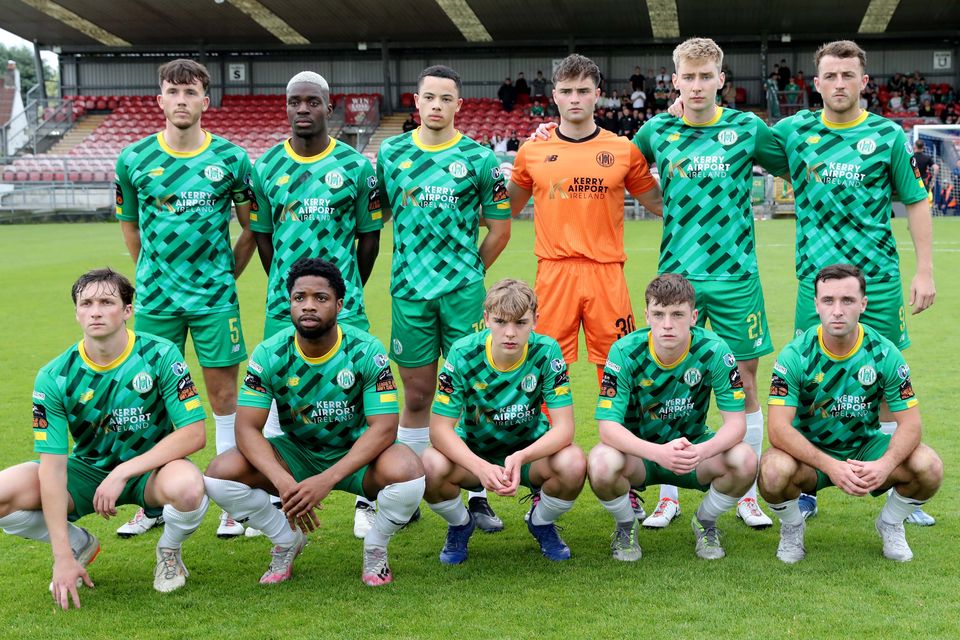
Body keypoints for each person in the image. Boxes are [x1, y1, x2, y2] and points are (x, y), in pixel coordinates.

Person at [771, 41, 935, 523]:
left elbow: (917, 201)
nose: (839, 83)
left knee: (887, 382)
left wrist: (925, 269)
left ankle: (889, 480)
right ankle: (807, 484)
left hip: (878, 280)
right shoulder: (794, 131)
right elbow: (735, 136)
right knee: (805, 378)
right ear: (816, 83)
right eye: (830, 75)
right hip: (814, 284)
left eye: (848, 75)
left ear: (865, 82)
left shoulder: (886, 135)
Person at [632, 37, 785, 530]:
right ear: (674, 81)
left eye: (705, 77)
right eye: (688, 77)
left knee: (744, 382)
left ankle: (745, 492)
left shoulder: (747, 128)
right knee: (672, 382)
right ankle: (670, 494)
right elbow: (616, 167)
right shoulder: (657, 130)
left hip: (737, 275)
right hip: (678, 280)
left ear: (721, 80)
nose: (697, 85)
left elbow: (795, 162)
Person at [203, 258, 425, 587]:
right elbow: (246, 428)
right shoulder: (269, 353)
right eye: (299, 298)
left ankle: (376, 546)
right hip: (297, 453)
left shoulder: (366, 350)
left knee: (409, 472)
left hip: (354, 452)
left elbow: (384, 428)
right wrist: (282, 482)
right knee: (219, 475)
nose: (308, 306)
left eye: (320, 298)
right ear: (289, 302)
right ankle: (285, 539)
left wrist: (328, 479)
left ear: (339, 304)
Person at [0, 269, 209, 609]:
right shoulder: (54, 376)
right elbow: (52, 470)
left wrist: (123, 472)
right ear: (77, 313)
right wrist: (62, 556)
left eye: (107, 302)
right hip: (88, 469)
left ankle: (169, 551)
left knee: (189, 488)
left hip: (151, 469)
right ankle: (79, 544)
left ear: (127, 310)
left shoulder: (160, 354)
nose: (95, 311)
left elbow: (194, 432)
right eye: (86, 303)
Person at [115, 58, 254, 539]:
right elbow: (130, 229)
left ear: (205, 101)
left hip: (215, 297)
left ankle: (231, 499)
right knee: (149, 397)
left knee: (223, 397)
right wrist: (152, 274)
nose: (181, 100)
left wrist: (226, 273)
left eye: (190, 92)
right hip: (156, 299)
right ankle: (150, 501)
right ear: (160, 100)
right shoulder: (133, 159)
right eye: (172, 92)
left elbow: (251, 227)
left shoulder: (233, 159)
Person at [377, 65, 512, 532]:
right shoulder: (390, 154)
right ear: (416, 102)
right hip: (410, 294)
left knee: (470, 394)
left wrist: (471, 271)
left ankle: (476, 492)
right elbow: (376, 218)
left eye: (445, 98)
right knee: (415, 393)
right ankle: (411, 488)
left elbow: (499, 228)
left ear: (459, 104)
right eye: (428, 97)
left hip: (462, 295)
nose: (436, 105)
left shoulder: (479, 159)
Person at [250, 71, 385, 539]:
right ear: (285, 108)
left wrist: (344, 292)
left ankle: (369, 499)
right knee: (273, 398)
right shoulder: (265, 166)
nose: (302, 109)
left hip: (345, 308)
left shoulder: (356, 167)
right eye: (293, 102)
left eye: (311, 101)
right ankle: (275, 493)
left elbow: (369, 239)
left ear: (330, 107)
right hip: (282, 307)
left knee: (362, 398)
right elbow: (263, 238)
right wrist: (289, 295)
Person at [760, 264, 943, 563]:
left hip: (864, 450)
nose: (837, 310)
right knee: (772, 470)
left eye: (847, 301)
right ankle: (793, 527)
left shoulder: (884, 353)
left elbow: (911, 425)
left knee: (929, 466)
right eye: (828, 300)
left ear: (863, 304)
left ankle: (891, 522)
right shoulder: (795, 355)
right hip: (812, 455)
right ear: (816, 304)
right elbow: (778, 429)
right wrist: (830, 466)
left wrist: (884, 465)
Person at [509, 53, 662, 401]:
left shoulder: (623, 150)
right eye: (566, 91)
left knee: (619, 365)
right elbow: (505, 208)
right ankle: (546, 449)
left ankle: (622, 449)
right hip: (554, 273)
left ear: (597, 93)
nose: (574, 98)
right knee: (545, 365)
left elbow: (659, 203)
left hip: (606, 272)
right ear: (554, 94)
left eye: (582, 90)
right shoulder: (532, 150)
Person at [588, 273, 756, 562]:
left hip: (692, 453)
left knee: (745, 460)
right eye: (659, 314)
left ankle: (705, 521)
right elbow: (608, 428)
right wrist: (658, 453)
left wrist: (701, 450)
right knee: (601, 462)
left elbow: (736, 425)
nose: (667, 324)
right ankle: (625, 527)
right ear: (647, 315)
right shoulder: (625, 351)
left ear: (693, 316)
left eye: (677, 314)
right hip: (640, 455)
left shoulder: (714, 350)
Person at [423, 279, 586, 563]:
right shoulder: (462, 353)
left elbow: (565, 428)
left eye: (521, 323)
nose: (510, 333)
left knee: (573, 463)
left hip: (529, 456)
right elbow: (439, 430)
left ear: (535, 320)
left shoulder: (547, 351)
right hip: (475, 455)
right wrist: (481, 467)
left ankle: (541, 521)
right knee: (429, 464)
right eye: (500, 321)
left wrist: (522, 457)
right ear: (486, 319)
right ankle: (460, 524)